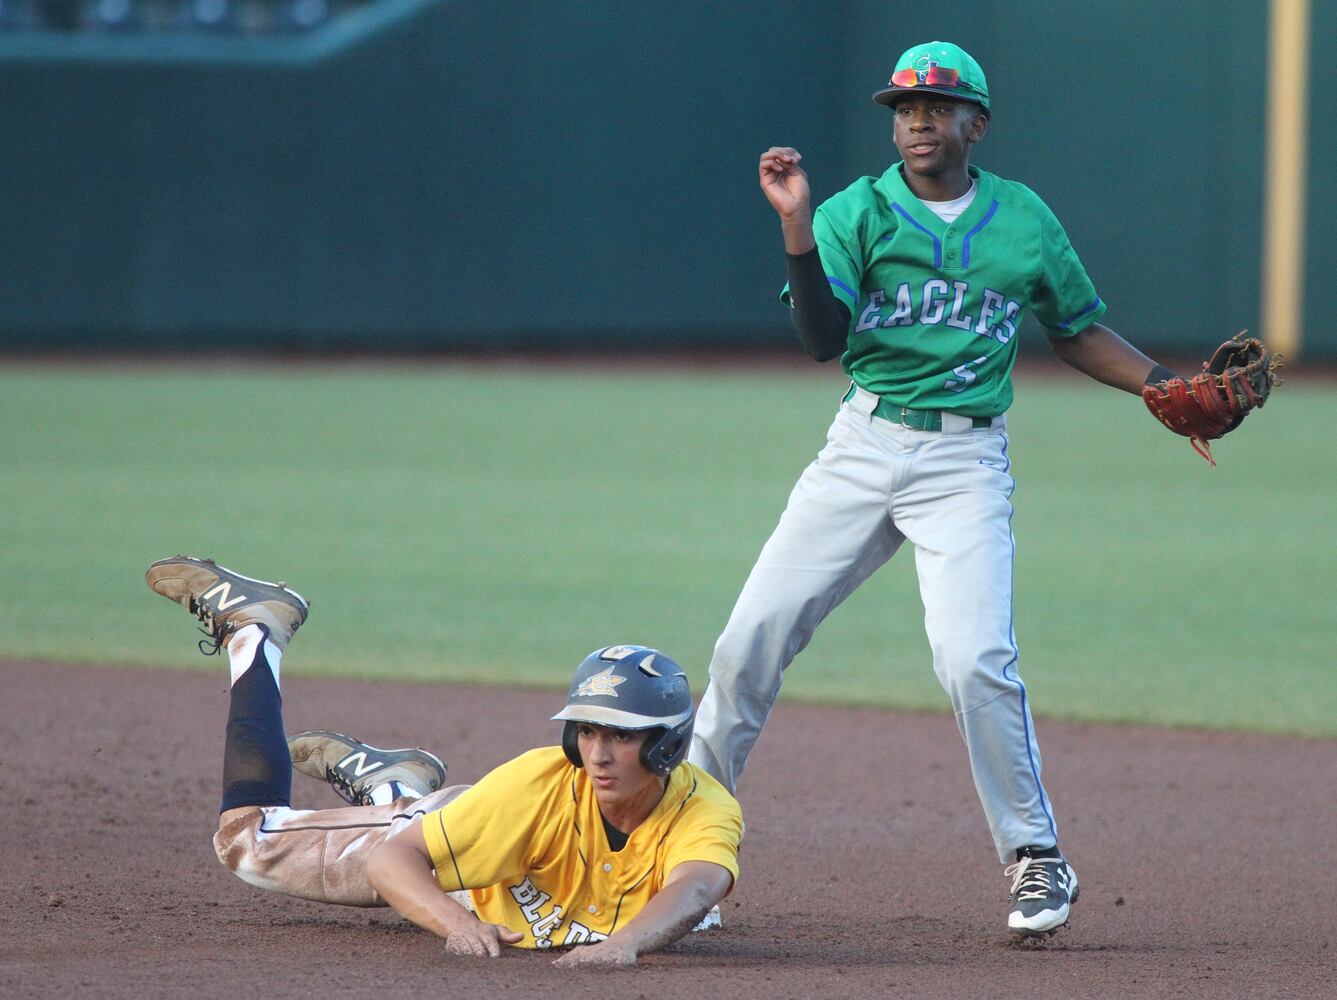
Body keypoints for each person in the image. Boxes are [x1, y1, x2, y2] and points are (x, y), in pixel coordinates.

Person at [687, 40, 1178, 939]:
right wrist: (796, 228)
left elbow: (1076, 328)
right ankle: (675, 852)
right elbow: (818, 340)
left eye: (936, 107)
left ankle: (1034, 858)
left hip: (963, 464)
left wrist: (1158, 385)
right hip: (862, 446)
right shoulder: (855, 212)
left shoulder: (1021, 219)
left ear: (973, 125)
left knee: (972, 657)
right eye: (902, 108)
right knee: (749, 638)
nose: (915, 120)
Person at [146, 555, 742, 966]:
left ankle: (392, 788)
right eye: (586, 732)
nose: (598, 753)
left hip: (480, 837)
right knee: (248, 842)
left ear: (667, 746)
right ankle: (256, 631)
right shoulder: (540, 785)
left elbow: (697, 888)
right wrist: (457, 925)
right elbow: (392, 861)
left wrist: (628, 943)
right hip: (472, 842)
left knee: (445, 841)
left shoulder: (705, 811)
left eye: (621, 735)